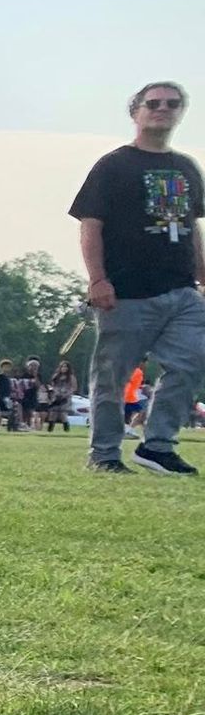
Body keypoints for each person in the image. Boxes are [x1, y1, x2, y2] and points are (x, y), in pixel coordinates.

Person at [72, 80, 205, 474]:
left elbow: (191, 227)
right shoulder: (113, 165)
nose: (163, 109)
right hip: (127, 291)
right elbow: (90, 225)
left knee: (192, 362)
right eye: (154, 103)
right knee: (113, 377)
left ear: (181, 112)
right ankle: (105, 455)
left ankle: (158, 446)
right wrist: (98, 280)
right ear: (136, 112)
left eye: (172, 104)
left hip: (182, 291)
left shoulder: (185, 167)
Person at [45, 359, 78, 432]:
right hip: (56, 396)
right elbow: (53, 385)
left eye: (66, 367)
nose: (64, 368)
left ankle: (66, 430)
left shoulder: (71, 377)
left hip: (65, 397)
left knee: (63, 414)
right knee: (53, 413)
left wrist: (67, 394)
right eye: (62, 367)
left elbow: (74, 388)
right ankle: (50, 430)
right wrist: (52, 390)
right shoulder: (56, 376)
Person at [0, 359, 17, 431]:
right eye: (5, 367)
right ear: (1, 367)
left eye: (8, 367)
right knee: (6, 412)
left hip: (7, 396)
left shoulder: (7, 377)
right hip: (3, 396)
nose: (7, 368)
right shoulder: (0, 376)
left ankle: (7, 427)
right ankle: (9, 427)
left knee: (5, 413)